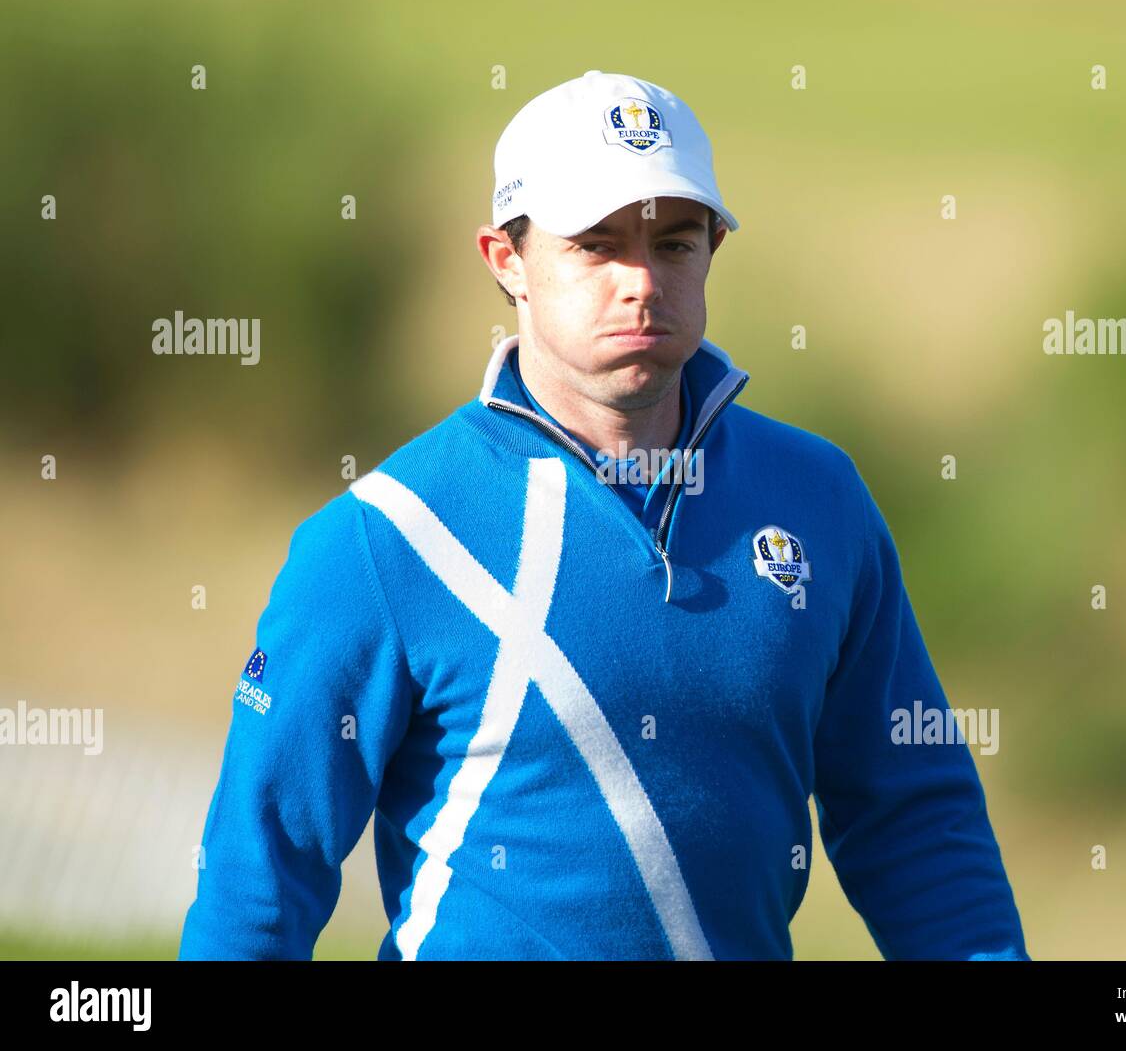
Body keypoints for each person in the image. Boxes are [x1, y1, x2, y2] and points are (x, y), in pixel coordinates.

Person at [177, 70, 1030, 961]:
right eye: (596, 244)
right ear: (507, 261)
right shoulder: (385, 536)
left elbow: (914, 821)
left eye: (675, 242)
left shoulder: (819, 498)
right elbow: (257, 880)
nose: (642, 282)